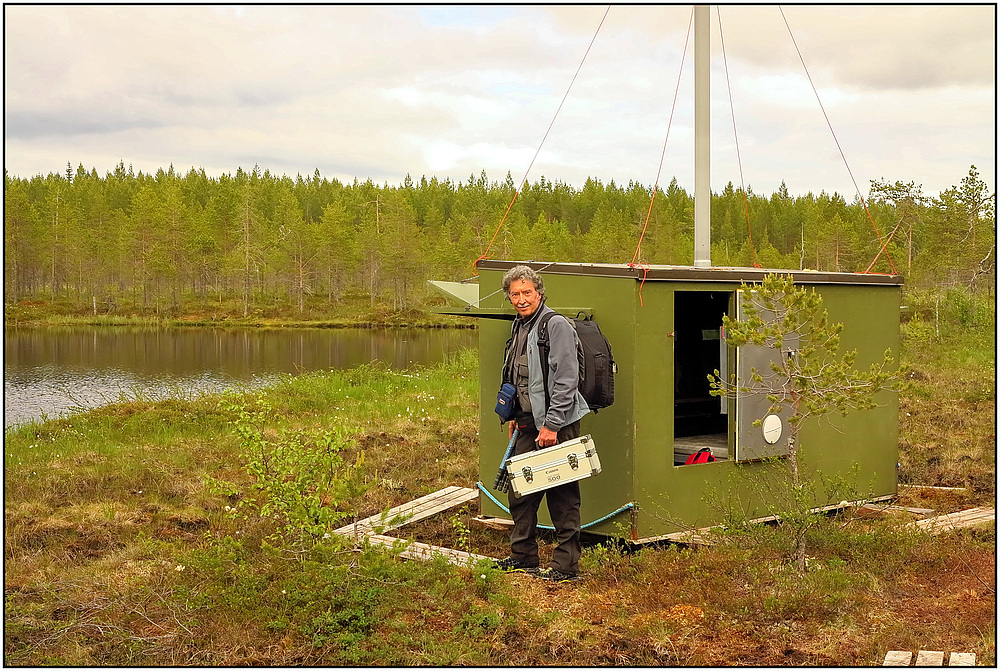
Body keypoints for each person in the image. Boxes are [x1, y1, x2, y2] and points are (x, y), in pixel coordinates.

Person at [492, 265, 590, 582]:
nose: (521, 299)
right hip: (525, 422)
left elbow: (566, 380)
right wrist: (513, 416)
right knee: (520, 492)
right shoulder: (519, 326)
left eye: (526, 293)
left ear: (539, 292)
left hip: (555, 423)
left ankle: (565, 567)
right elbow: (516, 376)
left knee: (562, 494)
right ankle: (523, 557)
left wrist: (552, 425)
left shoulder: (556, 325)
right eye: (515, 294)